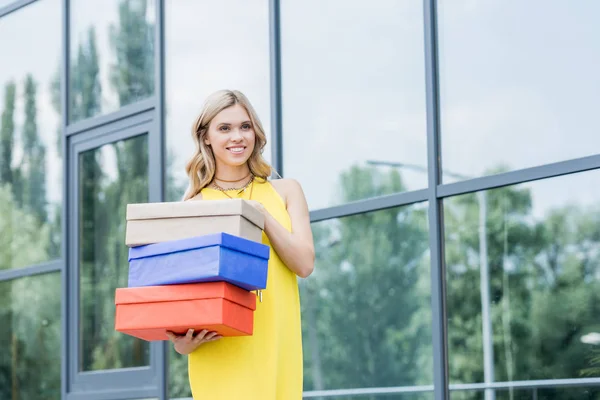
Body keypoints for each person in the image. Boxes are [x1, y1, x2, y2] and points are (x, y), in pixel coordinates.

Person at [165, 89, 315, 399]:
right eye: (225, 128)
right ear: (206, 137)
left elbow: (304, 264)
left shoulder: (286, 191)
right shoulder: (193, 204)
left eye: (245, 126)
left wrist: (265, 220)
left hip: (275, 344)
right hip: (220, 352)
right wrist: (182, 342)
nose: (238, 137)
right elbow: (182, 293)